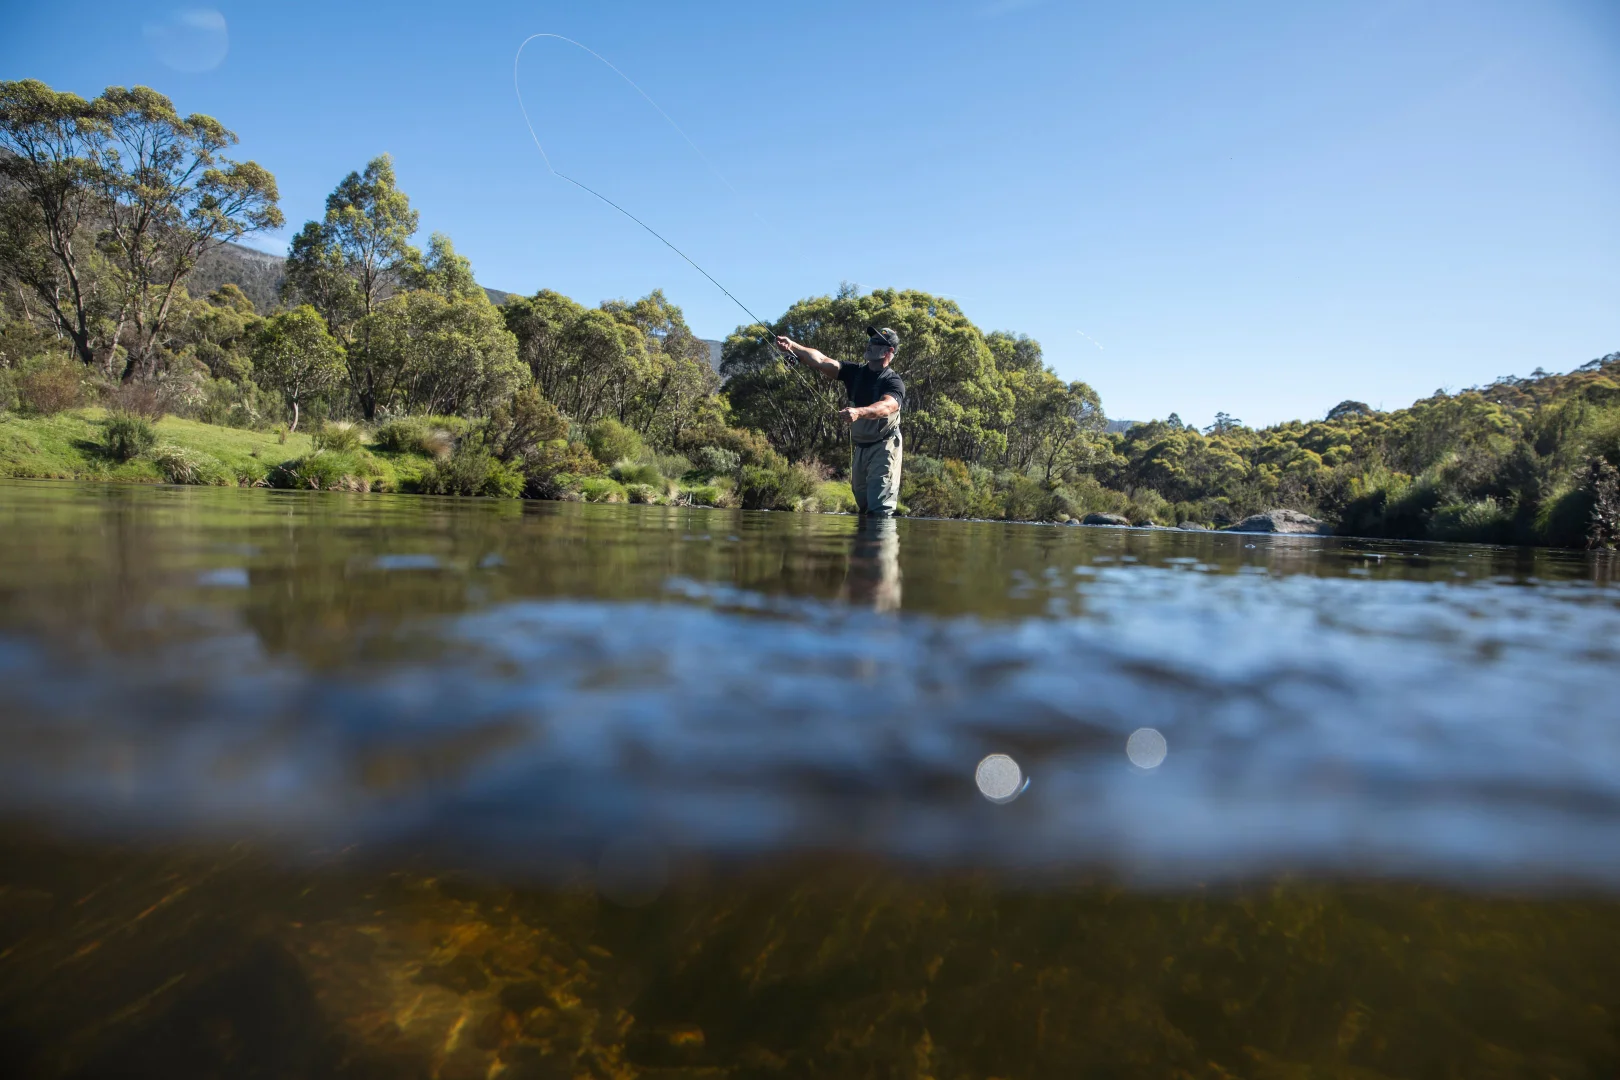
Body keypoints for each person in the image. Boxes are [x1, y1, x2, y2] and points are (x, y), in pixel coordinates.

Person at [775, 326, 905, 516]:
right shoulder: (854, 372)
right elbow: (821, 361)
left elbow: (887, 406)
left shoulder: (893, 381)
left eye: (876, 342)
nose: (870, 344)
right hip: (861, 447)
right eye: (870, 340)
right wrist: (792, 345)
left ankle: (880, 534)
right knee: (863, 504)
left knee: (880, 509)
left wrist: (859, 412)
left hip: (885, 446)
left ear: (889, 351)